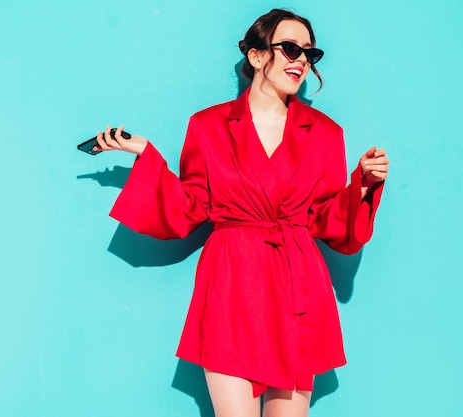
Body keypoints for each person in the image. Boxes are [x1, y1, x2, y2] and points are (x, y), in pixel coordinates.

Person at [94, 8, 389, 417]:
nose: (301, 59)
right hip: (233, 286)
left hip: (297, 288)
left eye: (310, 53)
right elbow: (189, 206)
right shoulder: (207, 126)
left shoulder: (326, 133)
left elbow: (326, 220)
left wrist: (363, 183)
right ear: (255, 56)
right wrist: (147, 155)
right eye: (289, 48)